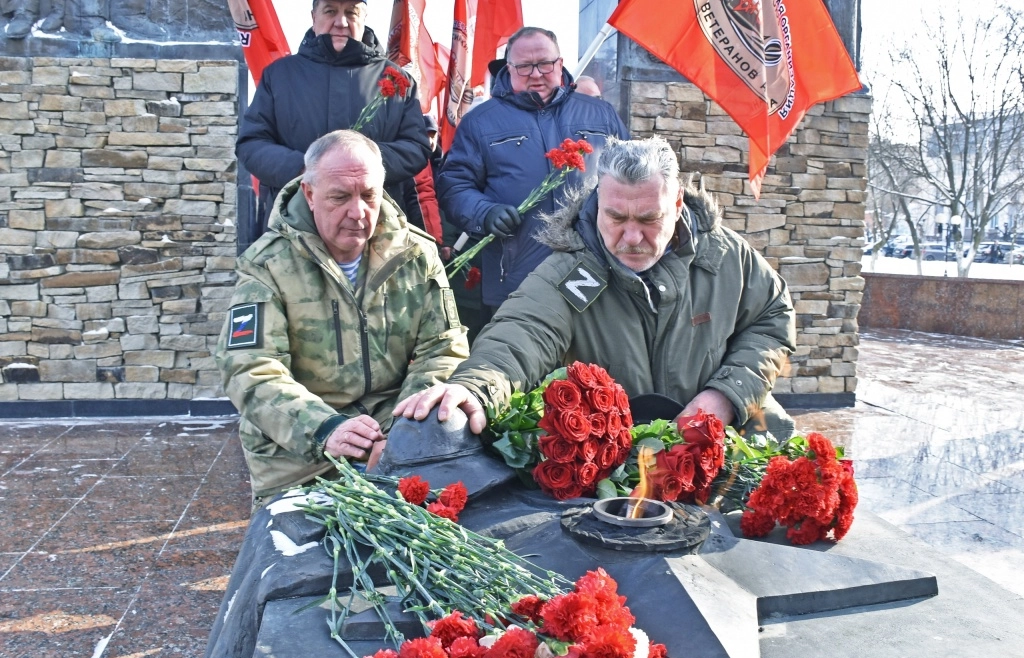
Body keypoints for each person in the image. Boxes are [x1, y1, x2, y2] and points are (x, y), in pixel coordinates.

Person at [396, 136, 797, 441]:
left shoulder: (726, 257)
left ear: (677, 204)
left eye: (649, 219)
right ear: (598, 200)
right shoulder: (569, 273)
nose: (632, 238)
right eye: (616, 217)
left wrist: (725, 396)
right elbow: (519, 335)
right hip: (612, 463)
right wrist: (473, 389)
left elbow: (773, 317)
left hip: (723, 443)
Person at [216, 130, 469, 503]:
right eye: (339, 197)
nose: (358, 212)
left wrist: (404, 430)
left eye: (369, 195)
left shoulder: (415, 253)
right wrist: (324, 428)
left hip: (393, 434)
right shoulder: (266, 265)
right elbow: (249, 368)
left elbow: (444, 347)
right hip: (299, 453)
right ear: (309, 194)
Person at [437, 26, 629, 317]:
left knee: (589, 346)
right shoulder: (481, 122)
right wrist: (484, 212)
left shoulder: (601, 115)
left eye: (545, 64)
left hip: (592, 268)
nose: (536, 74)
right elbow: (453, 185)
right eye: (524, 66)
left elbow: (630, 175)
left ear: (560, 63)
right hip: (516, 277)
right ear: (509, 68)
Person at [236, 0, 430, 245]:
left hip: (374, 235)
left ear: (364, 17)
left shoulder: (397, 81)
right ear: (314, 17)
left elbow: (416, 147)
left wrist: (361, 167)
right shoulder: (279, 76)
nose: (341, 22)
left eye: (351, 12)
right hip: (294, 233)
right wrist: (305, 169)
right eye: (330, 11)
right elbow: (252, 144)